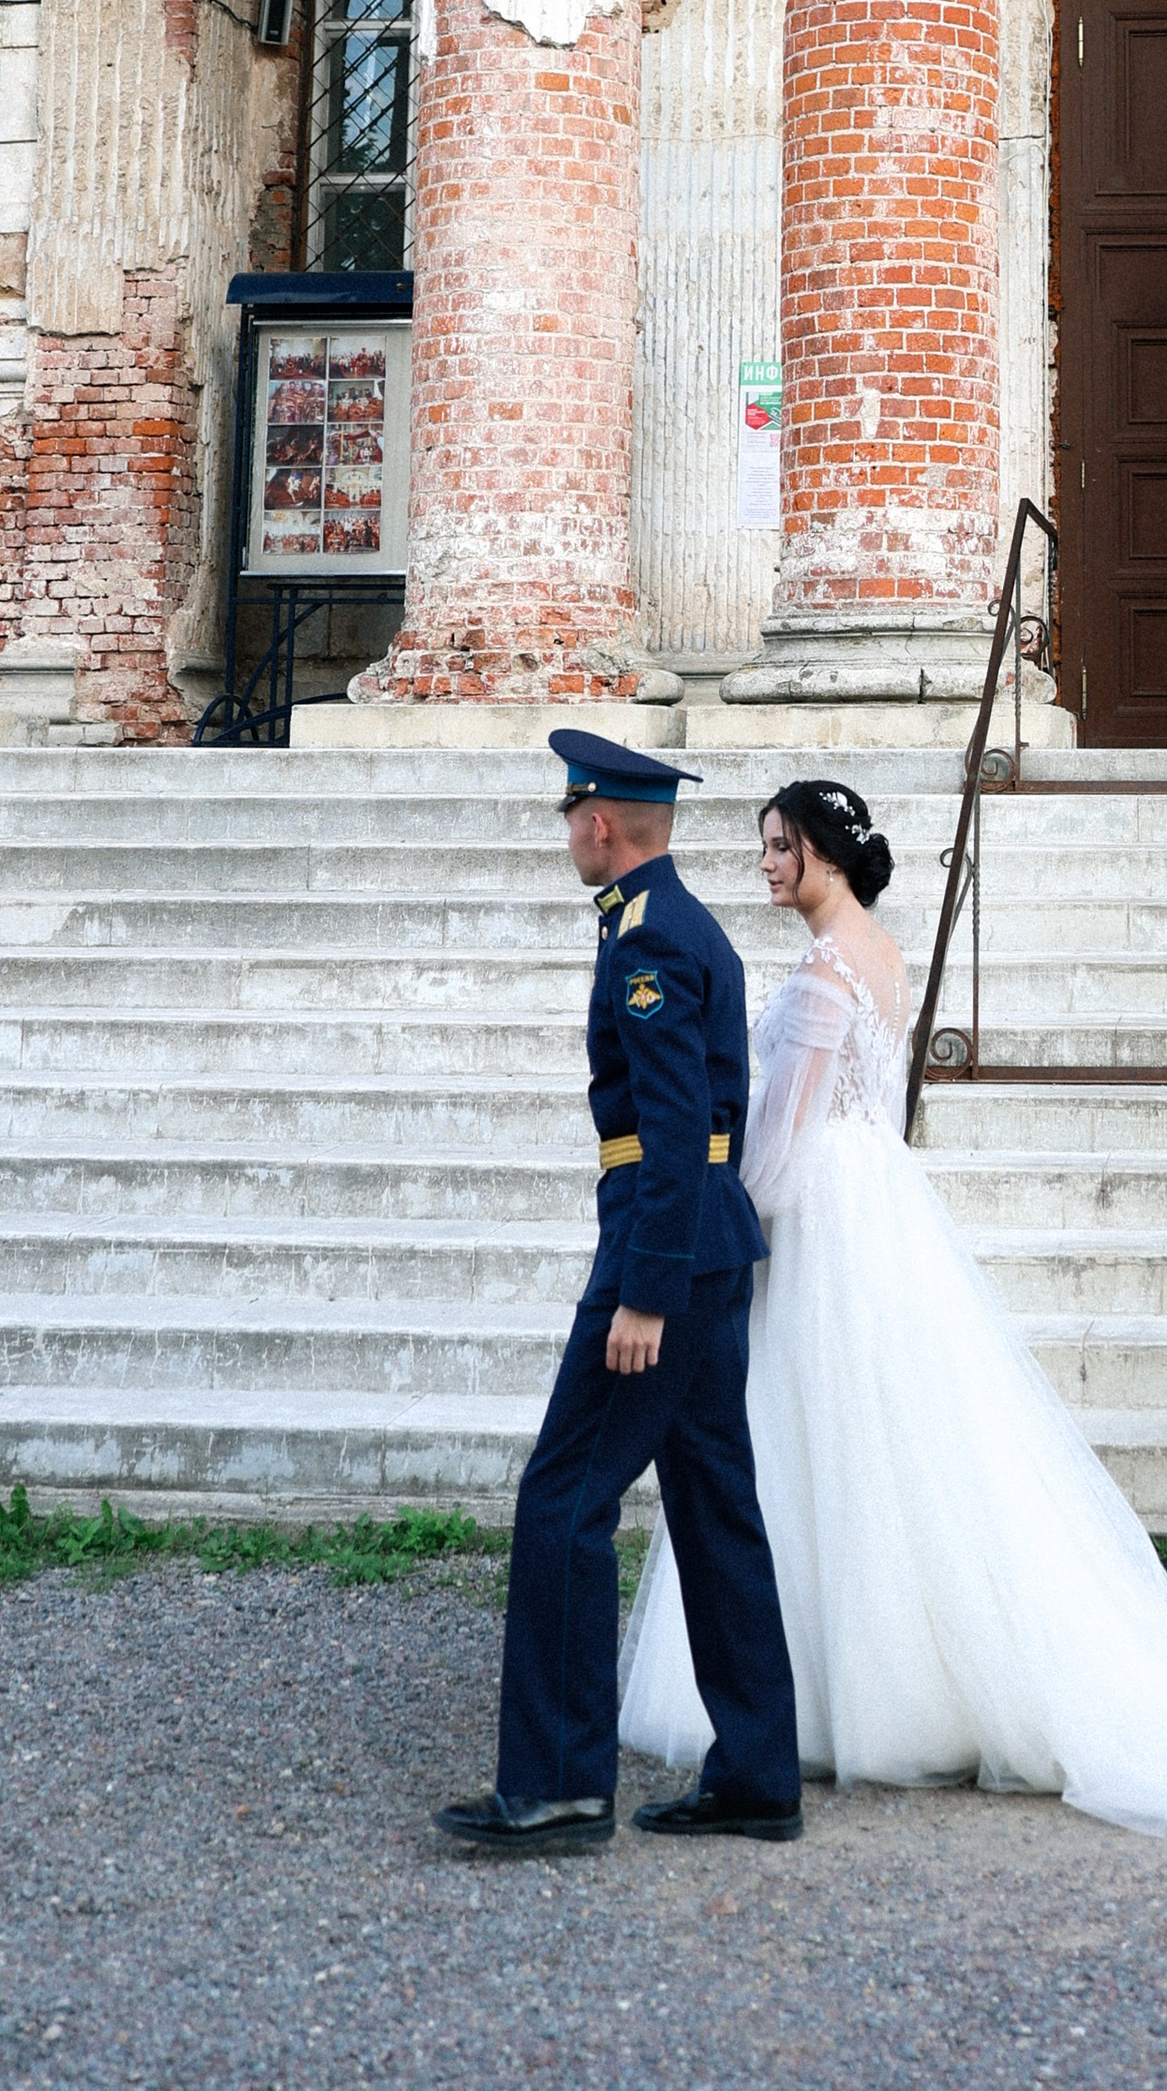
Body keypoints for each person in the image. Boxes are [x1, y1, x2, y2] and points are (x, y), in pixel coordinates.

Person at [618, 776, 1167, 1837]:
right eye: (764, 849)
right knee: (887, 1441)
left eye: (780, 847)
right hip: (879, 1202)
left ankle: (847, 1694)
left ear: (826, 856)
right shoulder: (879, 957)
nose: (767, 864)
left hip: (824, 1217)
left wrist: (725, 1221)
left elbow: (783, 1141)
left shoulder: (825, 973)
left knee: (822, 1439)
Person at [435, 731, 802, 1856]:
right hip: (701, 1252)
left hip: (666, 1257)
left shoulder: (650, 940)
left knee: (562, 1502)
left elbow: (680, 1129)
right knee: (712, 1507)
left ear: (599, 823)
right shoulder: (676, 924)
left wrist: (642, 1292)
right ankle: (755, 1774)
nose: (567, 832)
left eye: (568, 816)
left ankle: (555, 1785)